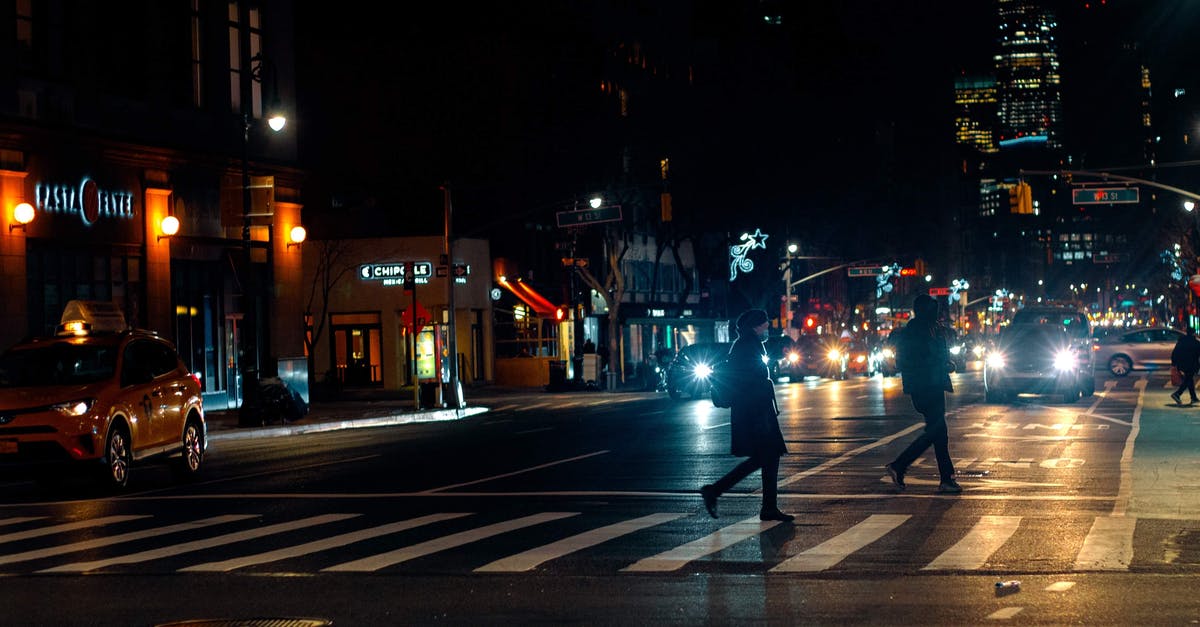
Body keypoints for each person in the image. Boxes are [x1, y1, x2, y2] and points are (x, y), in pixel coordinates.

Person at [700, 309, 794, 522]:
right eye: (765, 325)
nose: (767, 328)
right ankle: (715, 490)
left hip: (757, 411)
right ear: (756, 326)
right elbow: (747, 381)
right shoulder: (746, 346)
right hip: (755, 413)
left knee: (769, 457)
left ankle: (768, 507)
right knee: (765, 456)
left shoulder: (749, 344)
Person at [884, 294, 961, 494]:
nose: (936, 314)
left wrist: (945, 365)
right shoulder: (914, 333)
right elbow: (907, 362)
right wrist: (937, 364)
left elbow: (936, 355)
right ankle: (900, 465)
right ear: (924, 311)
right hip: (924, 386)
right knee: (937, 431)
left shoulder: (933, 330)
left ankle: (945, 478)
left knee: (939, 432)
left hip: (935, 384)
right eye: (932, 310)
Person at [1170, 326, 1200, 405]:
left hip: (1182, 364)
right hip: (1192, 364)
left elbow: (1174, 353)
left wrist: (1174, 363)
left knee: (1189, 379)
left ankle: (1193, 397)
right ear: (1194, 333)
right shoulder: (1196, 343)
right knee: (1188, 379)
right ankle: (1177, 394)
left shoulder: (1181, 341)